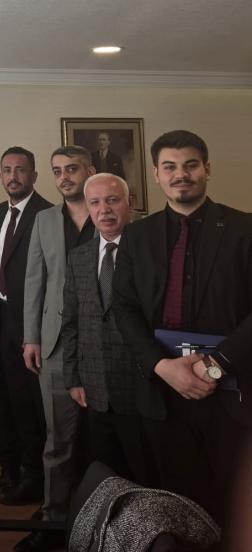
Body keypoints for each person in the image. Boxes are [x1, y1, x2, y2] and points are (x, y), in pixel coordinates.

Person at [113, 129, 252, 527]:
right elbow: (123, 308)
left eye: (191, 165)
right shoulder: (136, 236)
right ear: (156, 174)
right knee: (175, 503)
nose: (181, 175)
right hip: (161, 394)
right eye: (170, 167)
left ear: (207, 168)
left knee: (234, 507)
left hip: (232, 396)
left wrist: (215, 366)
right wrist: (161, 366)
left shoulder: (245, 229)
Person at [19, 145, 96, 545]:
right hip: (54, 345)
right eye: (57, 171)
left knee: (102, 439)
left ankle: (101, 523)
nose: (64, 176)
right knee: (58, 441)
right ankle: (53, 521)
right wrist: (31, 336)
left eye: (72, 168)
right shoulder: (44, 220)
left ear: (90, 170)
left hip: (104, 345)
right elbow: (35, 280)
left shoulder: (111, 213)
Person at [62, 173, 154, 486]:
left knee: (144, 476)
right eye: (95, 203)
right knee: (105, 477)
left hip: (141, 388)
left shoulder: (149, 253)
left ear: (130, 203)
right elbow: (71, 322)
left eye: (113, 200)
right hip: (95, 388)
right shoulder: (78, 257)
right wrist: (73, 377)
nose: (104, 210)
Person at [0, 147, 52, 519]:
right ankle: (15, 468)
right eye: (7, 170)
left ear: (34, 175)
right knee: (9, 399)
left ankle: (35, 477)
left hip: (31, 324)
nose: (13, 177)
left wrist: (33, 331)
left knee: (32, 407)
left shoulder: (47, 214)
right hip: (2, 319)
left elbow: (50, 278)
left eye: (20, 170)